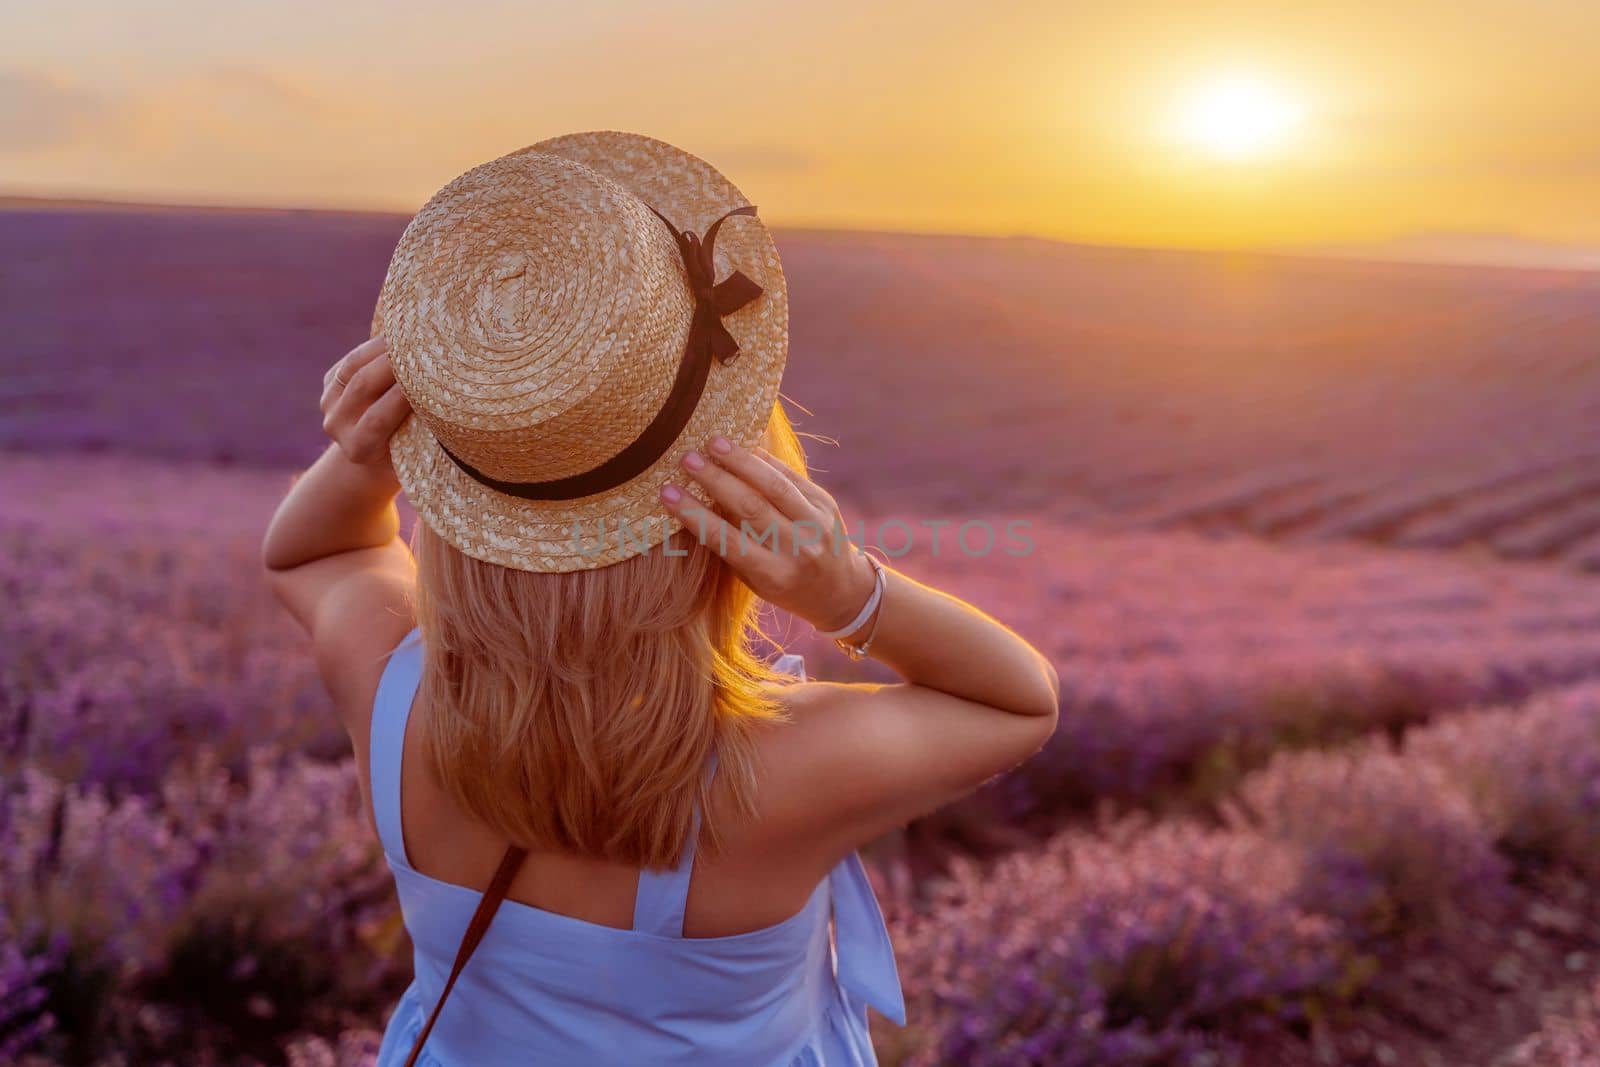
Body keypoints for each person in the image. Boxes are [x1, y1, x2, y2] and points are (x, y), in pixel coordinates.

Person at [261, 131, 1058, 1066]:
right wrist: (848, 592)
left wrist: (362, 454)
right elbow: (1019, 700)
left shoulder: (397, 697)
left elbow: (311, 554)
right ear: (720, 516)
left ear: (455, 502)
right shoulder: (770, 769)